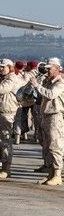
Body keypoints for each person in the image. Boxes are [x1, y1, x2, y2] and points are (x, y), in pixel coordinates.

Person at [29, 57, 64, 185]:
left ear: (57, 69)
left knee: (55, 146)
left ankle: (57, 174)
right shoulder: (48, 82)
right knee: (47, 146)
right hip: (46, 115)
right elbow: (42, 97)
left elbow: (50, 95)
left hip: (55, 116)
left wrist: (37, 86)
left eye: (50, 69)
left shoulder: (60, 83)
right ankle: (50, 173)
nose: (47, 71)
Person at [0, 59, 24, 178]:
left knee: (5, 140)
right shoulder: (2, 78)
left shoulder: (11, 78)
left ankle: (6, 167)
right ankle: (2, 165)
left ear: (10, 67)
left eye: (3, 67)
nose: (0, 69)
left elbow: (0, 90)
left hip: (7, 112)